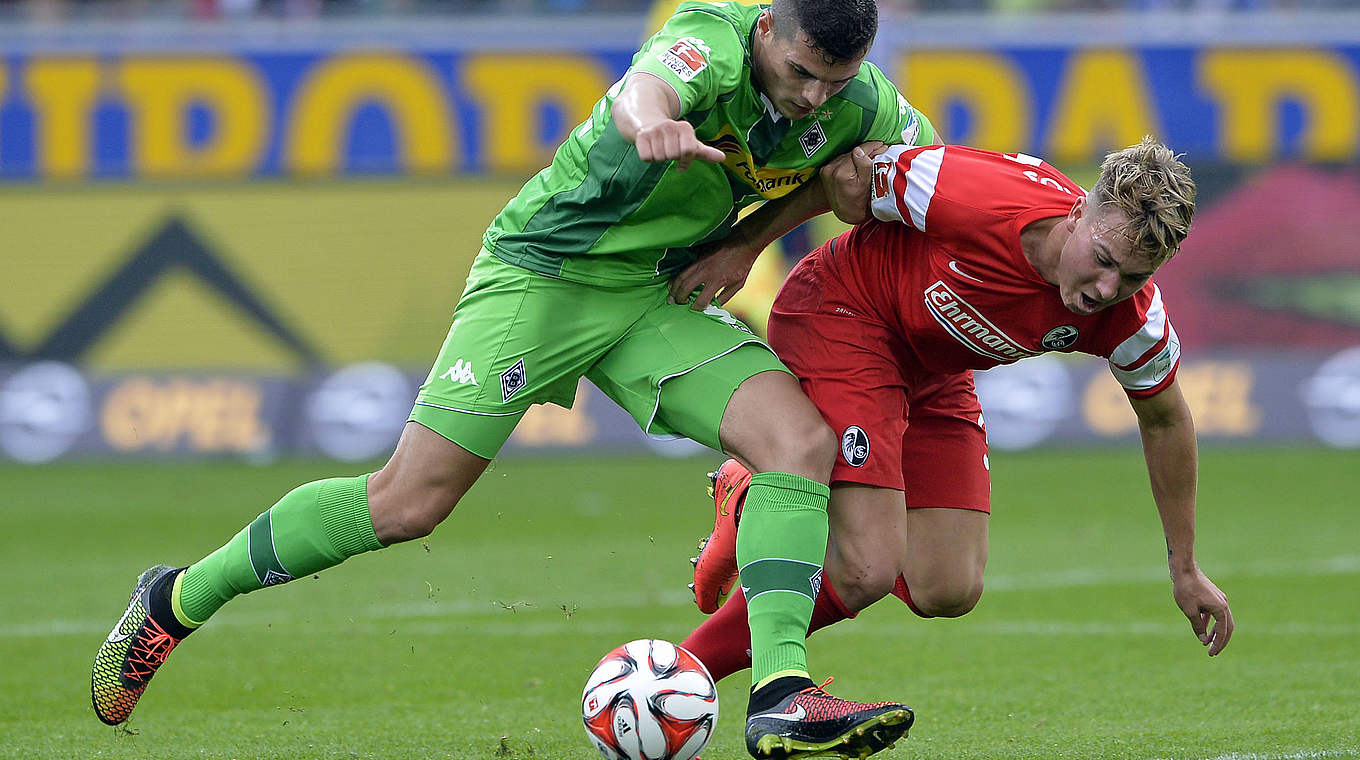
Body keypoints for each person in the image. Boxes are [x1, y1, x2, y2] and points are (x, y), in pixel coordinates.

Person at [91, 2, 941, 758]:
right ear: (767, 29)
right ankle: (175, 598)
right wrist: (651, 122)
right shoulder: (709, 39)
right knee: (406, 503)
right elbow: (642, 93)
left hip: (651, 297)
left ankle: (781, 694)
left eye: (835, 83)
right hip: (541, 279)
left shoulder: (855, 98)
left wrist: (756, 237)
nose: (814, 100)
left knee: (798, 441)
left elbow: (927, 159)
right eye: (800, 74)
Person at [679, 137, 1236, 686]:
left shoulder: (1132, 318)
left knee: (947, 587)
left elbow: (1166, 419)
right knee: (866, 568)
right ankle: (682, 675)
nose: (1107, 288)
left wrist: (1184, 567)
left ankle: (751, 496)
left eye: (1134, 276)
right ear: (1079, 212)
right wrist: (747, 246)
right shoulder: (972, 193)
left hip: (935, 370)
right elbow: (843, 178)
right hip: (843, 312)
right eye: (1103, 260)